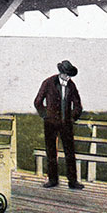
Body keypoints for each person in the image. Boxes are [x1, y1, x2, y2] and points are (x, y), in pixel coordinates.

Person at [34, 60, 84, 189]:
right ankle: (52, 180)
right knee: (51, 152)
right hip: (50, 124)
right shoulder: (48, 83)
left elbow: (78, 105)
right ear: (61, 72)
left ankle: (73, 182)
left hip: (66, 124)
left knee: (70, 153)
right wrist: (45, 115)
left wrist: (72, 118)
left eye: (69, 75)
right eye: (66, 74)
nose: (68, 77)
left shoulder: (71, 86)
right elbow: (38, 102)